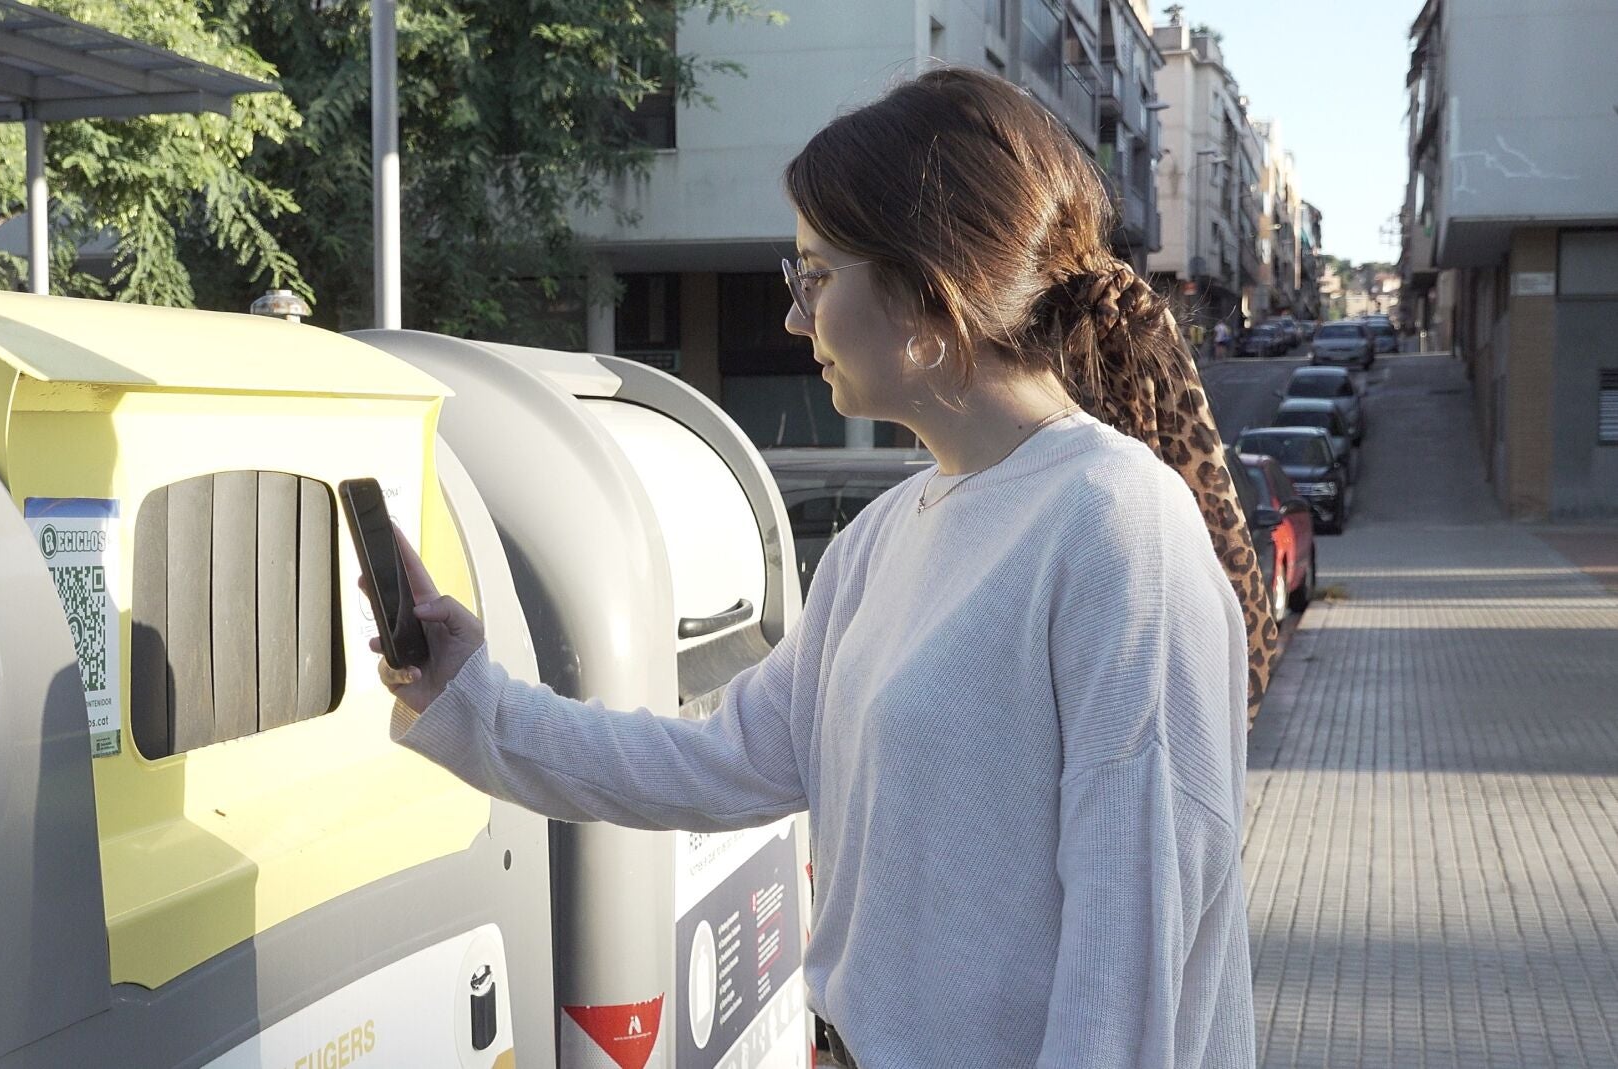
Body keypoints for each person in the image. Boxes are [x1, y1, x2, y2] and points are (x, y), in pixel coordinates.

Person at [371, 67, 1259, 1067]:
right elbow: (719, 760)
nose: (795, 319)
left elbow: (1128, 978)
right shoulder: (882, 537)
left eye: (816, 277)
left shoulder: (1116, 523)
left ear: (931, 288)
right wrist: (471, 697)